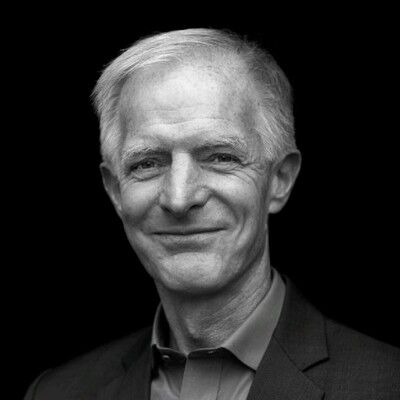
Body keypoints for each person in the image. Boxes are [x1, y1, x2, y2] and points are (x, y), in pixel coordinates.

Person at [24, 28, 400, 400]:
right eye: (148, 163)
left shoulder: (388, 384)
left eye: (220, 157)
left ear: (279, 180)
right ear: (115, 190)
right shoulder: (56, 393)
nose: (179, 198)